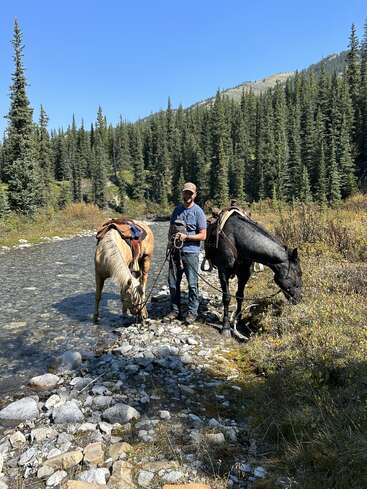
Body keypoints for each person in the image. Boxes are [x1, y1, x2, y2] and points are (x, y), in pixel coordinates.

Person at [167, 182, 207, 324]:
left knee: (192, 284)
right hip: (175, 253)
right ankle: (175, 310)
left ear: (195, 195)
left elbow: (203, 236)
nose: (188, 195)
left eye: (190, 193)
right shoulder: (177, 210)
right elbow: (171, 230)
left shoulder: (198, 212)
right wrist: (170, 244)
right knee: (172, 283)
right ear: (182, 194)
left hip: (191, 253)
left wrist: (187, 237)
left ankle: (192, 312)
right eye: (186, 192)